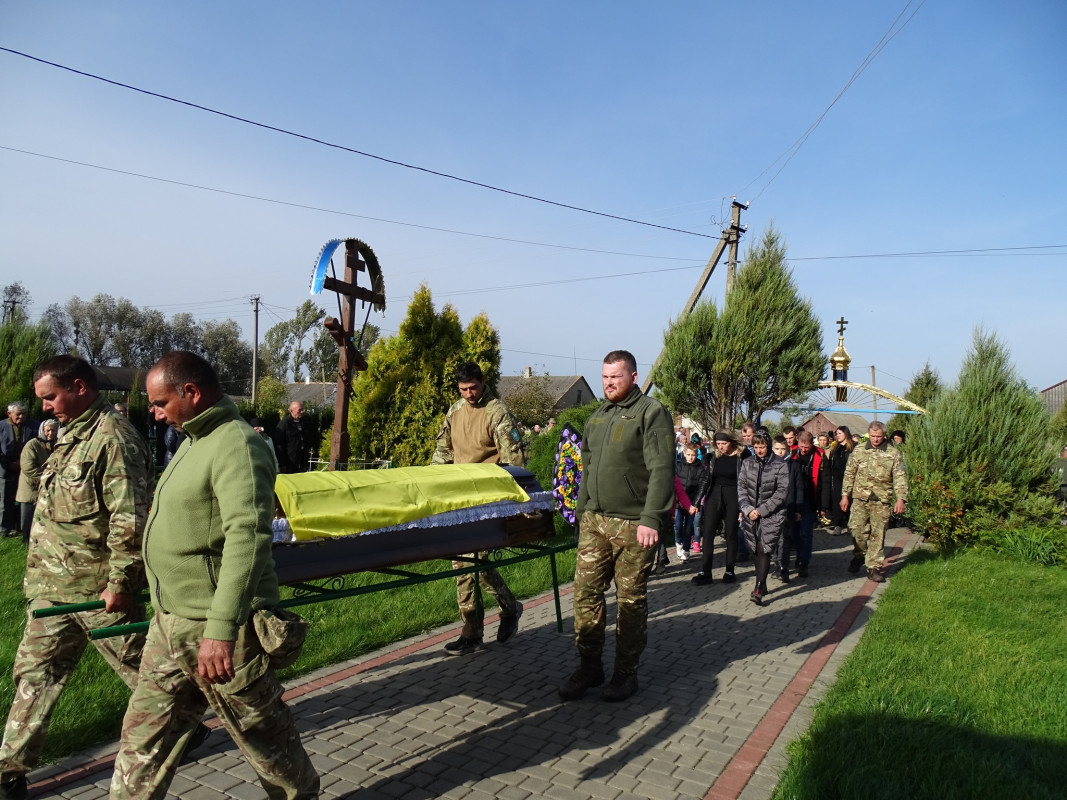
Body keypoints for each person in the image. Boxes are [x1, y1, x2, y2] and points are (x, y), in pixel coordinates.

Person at [110, 351, 318, 800]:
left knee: (266, 743)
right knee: (141, 739)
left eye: (160, 400)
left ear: (191, 392)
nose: (154, 410)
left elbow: (248, 538)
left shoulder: (236, 444)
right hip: (169, 626)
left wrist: (222, 630)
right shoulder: (191, 440)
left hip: (218, 629)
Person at [0, 357, 152, 800]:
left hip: (99, 593)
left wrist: (122, 584)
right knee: (34, 675)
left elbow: (130, 520)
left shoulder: (114, 438)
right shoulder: (70, 436)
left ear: (80, 387)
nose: (45, 407)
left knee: (146, 671)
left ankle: (185, 724)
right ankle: (10, 771)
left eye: (51, 397)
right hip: (53, 592)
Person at [558, 350, 673, 703]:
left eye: (616, 377)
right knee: (585, 594)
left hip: (633, 523)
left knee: (630, 600)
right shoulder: (597, 416)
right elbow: (585, 470)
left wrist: (652, 517)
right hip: (594, 520)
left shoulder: (650, 413)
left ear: (634, 377)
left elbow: (661, 468)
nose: (609, 383)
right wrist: (580, 511)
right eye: (605, 377)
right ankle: (590, 666)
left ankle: (626, 674)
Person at [431, 362, 525, 656]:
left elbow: (515, 464)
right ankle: (472, 633)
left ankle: (509, 607)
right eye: (464, 390)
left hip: (488, 503)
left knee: (480, 566)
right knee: (461, 566)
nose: (470, 394)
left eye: (473, 388)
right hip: (459, 501)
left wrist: (511, 505)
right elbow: (442, 453)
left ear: (482, 383)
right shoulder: (455, 411)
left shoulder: (497, 412)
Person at [840, 421, 908, 583]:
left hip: (881, 500)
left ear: (884, 435)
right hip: (860, 498)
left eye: (878, 436)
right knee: (857, 532)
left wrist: (901, 499)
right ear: (868, 434)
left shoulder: (893, 454)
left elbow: (900, 477)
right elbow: (849, 473)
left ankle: (874, 567)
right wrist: (845, 495)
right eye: (872, 436)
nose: (875, 439)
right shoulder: (859, 450)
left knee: (878, 534)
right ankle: (859, 554)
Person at [738, 431, 789, 606]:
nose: (759, 450)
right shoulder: (747, 463)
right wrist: (748, 509)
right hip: (750, 512)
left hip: (772, 513)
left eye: (762, 447)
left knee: (764, 548)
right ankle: (763, 579)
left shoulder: (780, 464)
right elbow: (741, 487)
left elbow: (782, 492)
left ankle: (758, 588)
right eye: (756, 447)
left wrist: (762, 510)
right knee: (753, 547)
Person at [691, 431, 746, 585]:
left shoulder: (742, 457)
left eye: (724, 444)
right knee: (707, 533)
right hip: (714, 496)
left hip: (733, 496)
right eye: (718, 444)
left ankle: (729, 570)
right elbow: (705, 480)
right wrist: (696, 502)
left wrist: (744, 505)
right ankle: (705, 572)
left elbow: (747, 482)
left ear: (732, 442)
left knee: (730, 534)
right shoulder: (713, 457)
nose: (721, 447)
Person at [782, 431, 826, 579]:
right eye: (801, 446)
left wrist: (824, 505)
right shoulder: (793, 455)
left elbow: (825, 481)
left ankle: (804, 562)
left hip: (811, 498)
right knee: (794, 533)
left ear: (811, 444)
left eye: (806, 447)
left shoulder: (820, 456)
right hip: (794, 499)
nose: (803, 450)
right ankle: (799, 557)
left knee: (806, 533)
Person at [14, 420, 58, 543]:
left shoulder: (57, 444)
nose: (51, 433)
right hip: (31, 487)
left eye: (53, 430)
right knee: (28, 517)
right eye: (48, 430)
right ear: (42, 430)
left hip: (48, 487)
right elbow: (28, 467)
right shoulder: (32, 445)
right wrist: (48, 476)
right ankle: (26, 541)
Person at [0, 402, 33, 537]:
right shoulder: (1, 426)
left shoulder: (33, 426)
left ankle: (21, 527)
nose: (21, 417)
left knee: (23, 500)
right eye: (18, 414)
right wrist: (10, 464)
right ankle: (3, 530)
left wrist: (22, 463)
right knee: (4, 501)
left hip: (25, 469)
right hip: (5, 469)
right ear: (9, 414)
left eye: (23, 414)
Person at [673, 442, 704, 561]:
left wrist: (696, 503)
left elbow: (701, 487)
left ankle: (686, 549)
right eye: (688, 455)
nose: (691, 457)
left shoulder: (700, 468)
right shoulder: (679, 467)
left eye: (693, 455)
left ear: (696, 455)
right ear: (684, 454)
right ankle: (678, 542)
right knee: (678, 525)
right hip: (679, 502)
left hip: (692, 502)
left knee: (689, 527)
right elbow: (674, 485)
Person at [826, 426, 854, 536]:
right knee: (837, 500)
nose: (837, 436)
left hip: (850, 477)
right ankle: (837, 524)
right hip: (837, 478)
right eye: (836, 433)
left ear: (846, 434)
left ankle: (849, 524)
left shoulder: (853, 448)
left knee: (850, 500)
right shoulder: (835, 448)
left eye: (839, 433)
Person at [273, 401, 311, 474]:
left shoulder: (304, 423)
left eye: (302, 409)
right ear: (291, 411)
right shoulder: (284, 424)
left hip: (302, 462)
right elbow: (279, 445)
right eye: (299, 410)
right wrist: (282, 464)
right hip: (289, 464)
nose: (302, 412)